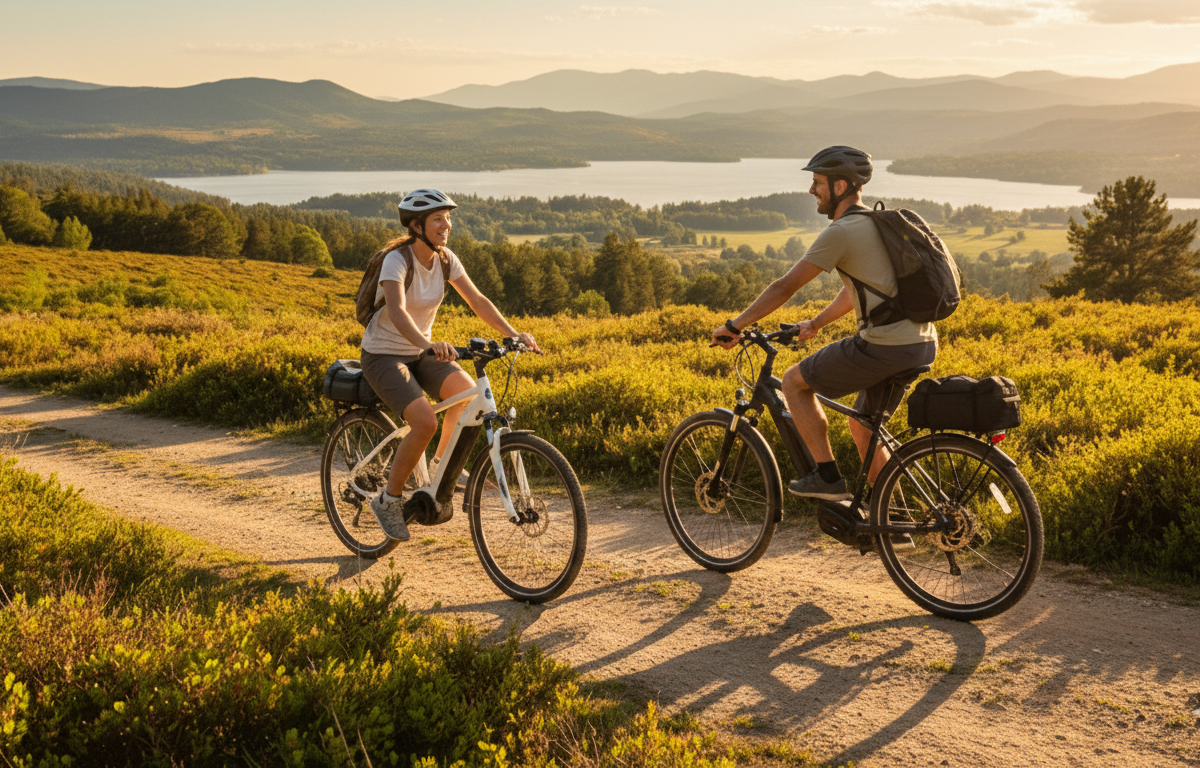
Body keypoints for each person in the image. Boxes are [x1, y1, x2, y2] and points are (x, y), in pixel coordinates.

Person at [711, 146, 937, 501]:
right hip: (919, 342)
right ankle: (892, 517)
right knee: (863, 427)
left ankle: (827, 478)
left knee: (794, 383)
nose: (812, 190)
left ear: (840, 186)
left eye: (817, 182)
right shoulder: (879, 225)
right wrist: (816, 323)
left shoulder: (843, 231)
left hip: (885, 346)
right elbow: (860, 291)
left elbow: (784, 286)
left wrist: (735, 326)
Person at [360, 189, 541, 541]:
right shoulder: (397, 260)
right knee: (425, 421)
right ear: (417, 225)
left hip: (419, 353)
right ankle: (388, 499)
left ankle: (443, 467)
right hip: (384, 354)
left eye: (448, 218)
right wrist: (428, 344)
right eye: (438, 219)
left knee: (466, 395)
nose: (447, 225)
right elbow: (396, 311)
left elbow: (477, 300)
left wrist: (513, 333)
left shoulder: (445, 259)